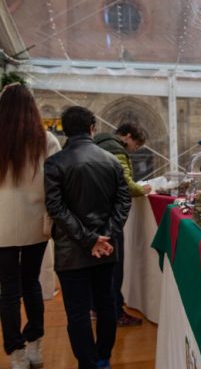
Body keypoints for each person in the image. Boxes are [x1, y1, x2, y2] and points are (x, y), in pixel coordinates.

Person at [45, 106, 131, 369]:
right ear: (92, 127)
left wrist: (87, 239)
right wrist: (102, 237)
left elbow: (56, 208)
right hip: (105, 250)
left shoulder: (55, 163)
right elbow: (124, 202)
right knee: (106, 306)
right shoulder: (111, 160)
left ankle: (88, 363)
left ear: (64, 129)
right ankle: (104, 358)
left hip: (72, 252)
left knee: (78, 312)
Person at [0, 84, 61, 369]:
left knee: (8, 290)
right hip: (36, 224)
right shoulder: (45, 139)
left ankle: (16, 355)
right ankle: (36, 345)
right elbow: (55, 186)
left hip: (1, 226)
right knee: (31, 283)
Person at [93, 123, 149, 326]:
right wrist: (142, 189)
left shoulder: (97, 144)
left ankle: (97, 308)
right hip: (110, 218)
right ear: (127, 136)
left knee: (98, 268)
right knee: (114, 267)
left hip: (92, 216)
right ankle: (115, 312)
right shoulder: (117, 150)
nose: (134, 149)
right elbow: (125, 183)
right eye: (136, 144)